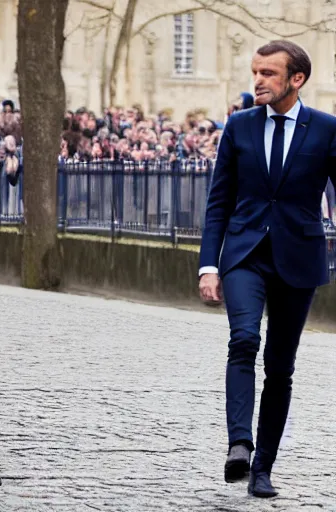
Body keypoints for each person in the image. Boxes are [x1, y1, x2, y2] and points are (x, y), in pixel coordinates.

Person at [199, 40, 336, 498]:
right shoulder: (238, 127)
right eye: (255, 71)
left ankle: (262, 468)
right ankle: (239, 443)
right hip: (244, 255)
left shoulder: (326, 129)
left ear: (296, 79)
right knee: (244, 340)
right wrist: (208, 265)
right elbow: (219, 202)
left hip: (299, 258)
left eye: (269, 73)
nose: (258, 80)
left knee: (280, 367)